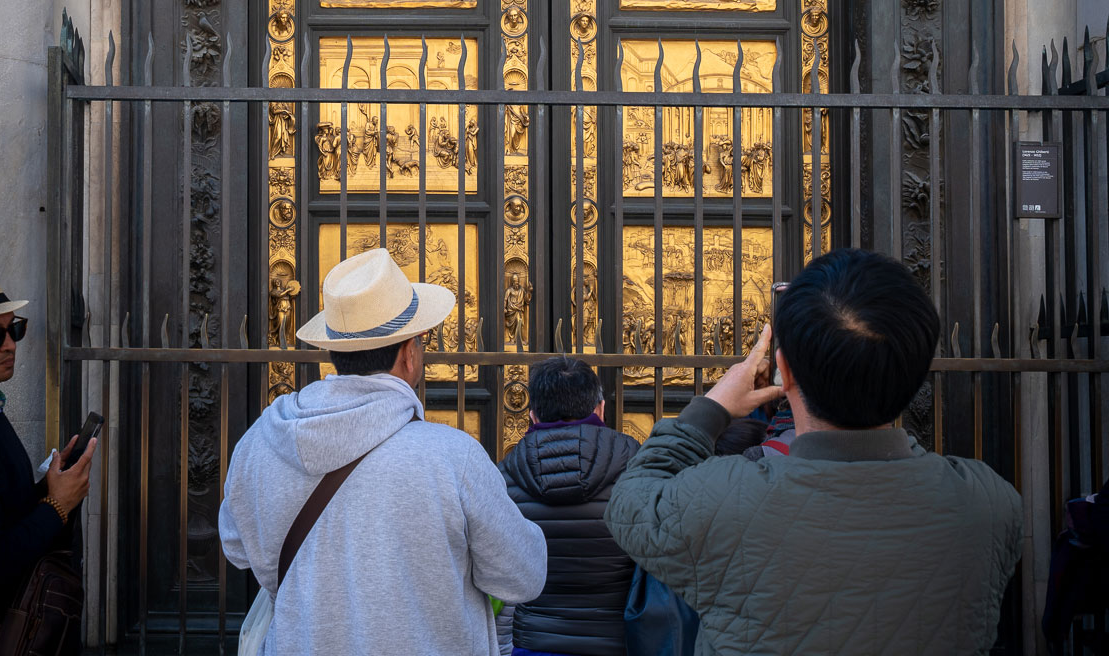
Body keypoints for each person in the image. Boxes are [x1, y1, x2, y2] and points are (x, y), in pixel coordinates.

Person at [606, 249, 1023, 656]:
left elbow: (631, 500)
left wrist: (712, 407)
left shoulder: (721, 503)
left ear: (784, 371)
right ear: (917, 372)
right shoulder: (989, 505)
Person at [219, 249, 545, 656]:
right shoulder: (452, 457)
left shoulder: (260, 443)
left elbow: (235, 547)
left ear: (335, 351)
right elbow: (523, 576)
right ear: (409, 354)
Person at [498, 357, 638, 656]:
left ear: (533, 415)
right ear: (600, 409)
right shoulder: (637, 464)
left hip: (535, 641)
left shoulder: (505, 475)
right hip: (618, 640)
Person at [0, 276, 97, 636]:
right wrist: (57, 506)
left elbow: (4, 507)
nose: (9, 345)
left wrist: (51, 488)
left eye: (14, 330)